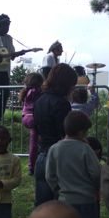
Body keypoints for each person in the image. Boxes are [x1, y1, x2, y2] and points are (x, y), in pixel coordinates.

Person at [45, 110, 101, 218]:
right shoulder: (86, 149)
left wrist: (57, 189)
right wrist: (96, 187)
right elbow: (96, 173)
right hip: (87, 200)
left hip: (65, 200)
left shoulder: (54, 149)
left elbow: (49, 175)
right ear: (81, 132)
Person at [33, 63, 78, 207]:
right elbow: (65, 132)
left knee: (42, 204)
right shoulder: (62, 103)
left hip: (42, 155)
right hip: (58, 157)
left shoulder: (39, 100)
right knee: (60, 205)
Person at [19, 72, 44, 175]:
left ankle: (31, 167)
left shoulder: (26, 91)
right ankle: (37, 163)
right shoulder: (36, 91)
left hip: (25, 117)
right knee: (39, 141)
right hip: (34, 117)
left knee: (33, 143)